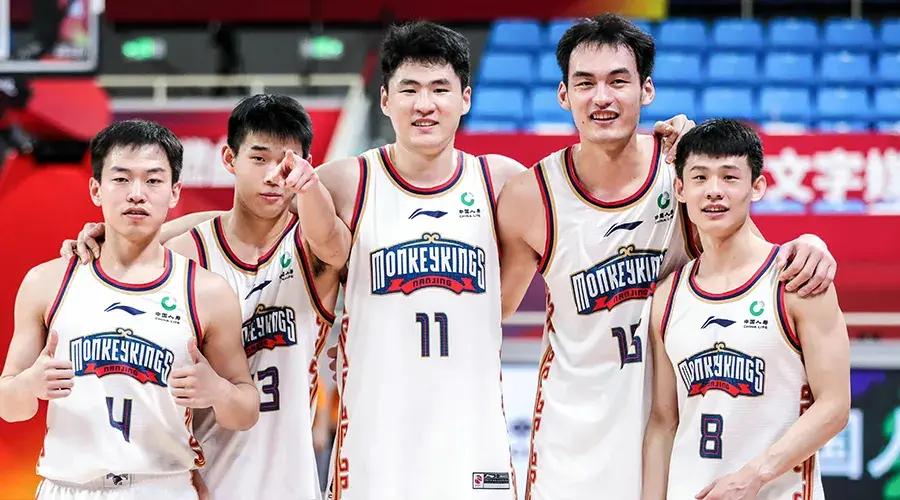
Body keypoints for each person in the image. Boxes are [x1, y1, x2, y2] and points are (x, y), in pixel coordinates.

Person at [494, 14, 837, 500]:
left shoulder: (681, 168)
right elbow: (492, 310)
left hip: (678, 430)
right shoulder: (531, 195)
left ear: (647, 90)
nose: (602, 97)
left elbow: (745, 252)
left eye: (618, 81)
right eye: (585, 83)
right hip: (575, 435)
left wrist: (812, 243)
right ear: (563, 95)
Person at [62, 95, 342, 500]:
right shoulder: (186, 252)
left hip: (290, 482)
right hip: (196, 480)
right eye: (258, 158)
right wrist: (114, 237)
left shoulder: (313, 249)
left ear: (306, 166)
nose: (272, 175)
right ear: (229, 158)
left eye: (286, 162)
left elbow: (332, 240)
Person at [0, 119, 258, 499]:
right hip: (68, 487)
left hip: (163, 487)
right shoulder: (47, 282)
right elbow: (9, 406)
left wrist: (218, 391)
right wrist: (29, 385)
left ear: (174, 192)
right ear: (96, 189)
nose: (137, 194)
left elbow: (245, 411)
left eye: (153, 180)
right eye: (121, 179)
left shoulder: (207, 292)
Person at [641, 119, 850, 500]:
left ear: (757, 186)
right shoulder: (667, 296)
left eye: (729, 177)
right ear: (681, 189)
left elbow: (834, 406)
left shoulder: (797, 279)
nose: (714, 191)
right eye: (700, 177)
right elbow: (663, 422)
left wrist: (754, 475)